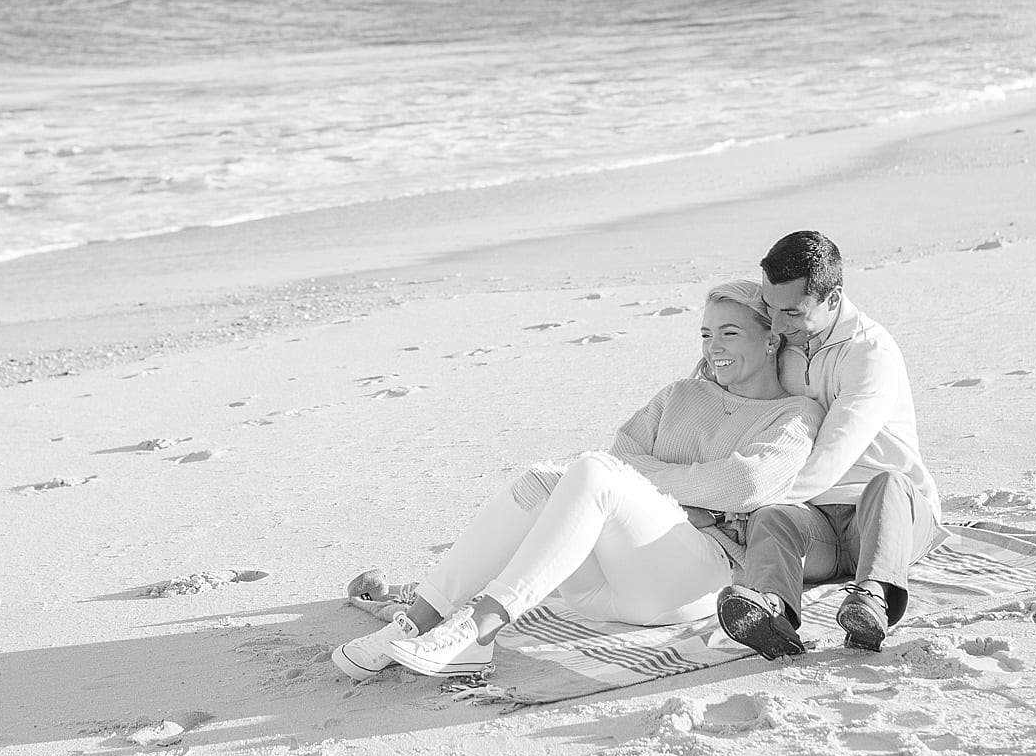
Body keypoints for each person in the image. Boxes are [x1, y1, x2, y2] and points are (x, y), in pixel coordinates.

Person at [332, 280, 824, 680]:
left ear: (771, 337)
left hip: (694, 579)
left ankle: (481, 629)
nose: (713, 347)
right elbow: (622, 458)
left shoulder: (795, 413)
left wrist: (674, 497)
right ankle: (418, 620)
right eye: (705, 334)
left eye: (730, 333)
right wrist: (683, 496)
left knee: (590, 471)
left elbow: (746, 484)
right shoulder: (680, 394)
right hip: (599, 589)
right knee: (544, 478)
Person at [716, 230, 943, 659]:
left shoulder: (870, 353)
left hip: (885, 521)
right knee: (774, 517)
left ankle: (871, 600)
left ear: (833, 300)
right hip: (818, 524)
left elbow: (833, 454)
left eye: (791, 313)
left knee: (888, 483)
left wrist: (740, 503)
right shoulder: (782, 343)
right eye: (769, 307)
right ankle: (774, 614)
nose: (777, 325)